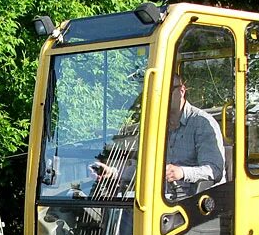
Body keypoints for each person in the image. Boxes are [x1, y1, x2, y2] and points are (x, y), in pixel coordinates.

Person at [91, 76, 225, 198]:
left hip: (194, 204)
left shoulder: (202, 123)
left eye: (168, 91)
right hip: (162, 202)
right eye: (158, 93)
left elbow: (215, 170)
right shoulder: (157, 126)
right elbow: (145, 169)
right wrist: (113, 172)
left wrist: (181, 172)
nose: (162, 97)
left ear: (182, 91)